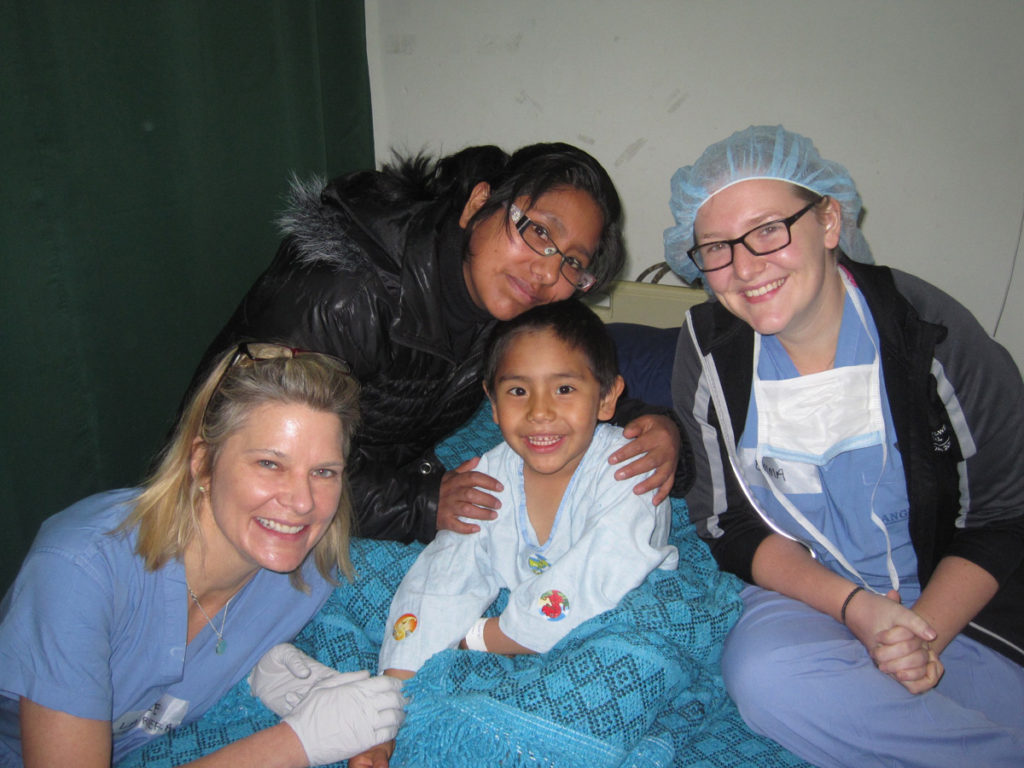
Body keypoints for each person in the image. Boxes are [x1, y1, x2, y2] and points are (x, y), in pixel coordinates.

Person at [664, 124, 1024, 766]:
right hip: (809, 596)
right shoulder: (708, 349)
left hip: (955, 591)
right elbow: (730, 524)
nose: (745, 268)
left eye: (769, 230)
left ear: (828, 221)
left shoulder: (930, 332)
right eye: (716, 248)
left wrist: (920, 637)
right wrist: (855, 608)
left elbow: (1003, 514)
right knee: (770, 680)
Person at [188, 142, 686, 545]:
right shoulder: (346, 296)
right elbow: (256, 460)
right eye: (538, 231)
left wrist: (657, 427)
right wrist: (424, 502)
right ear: (477, 203)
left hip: (376, 475)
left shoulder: (516, 304)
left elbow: (572, 380)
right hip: (239, 498)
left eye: (574, 263)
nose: (548, 272)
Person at [0, 343, 405, 767]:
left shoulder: (308, 564)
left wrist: (268, 677)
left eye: (323, 472)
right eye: (270, 464)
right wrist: (296, 744)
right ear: (202, 463)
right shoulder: (81, 571)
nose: (302, 501)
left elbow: (421, 601)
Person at [347, 299, 679, 767]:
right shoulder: (488, 477)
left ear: (607, 398)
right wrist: (390, 702)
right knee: (372, 575)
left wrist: (482, 636)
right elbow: (444, 575)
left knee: (623, 668)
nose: (540, 412)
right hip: (517, 622)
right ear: (493, 404)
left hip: (621, 611)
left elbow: (598, 580)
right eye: (518, 391)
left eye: (565, 388)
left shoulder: (632, 472)